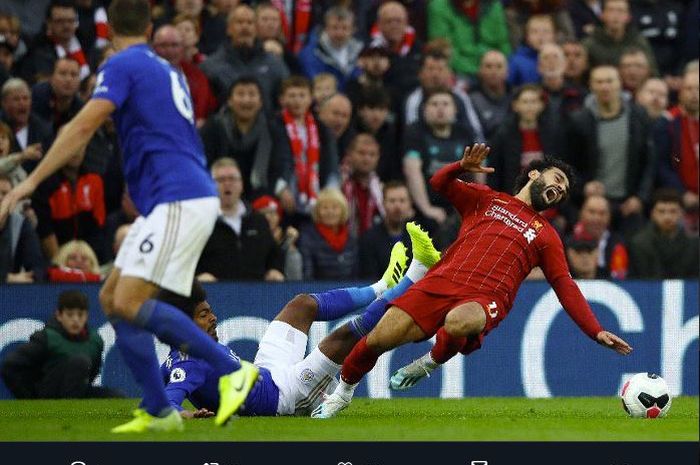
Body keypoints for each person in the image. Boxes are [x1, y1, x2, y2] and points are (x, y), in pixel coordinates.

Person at [0, 0, 258, 434]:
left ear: (107, 32)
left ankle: (230, 370)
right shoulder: (168, 71)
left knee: (128, 302)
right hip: (177, 198)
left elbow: (82, 127)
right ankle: (159, 410)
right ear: (150, 25)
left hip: (178, 198)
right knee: (113, 300)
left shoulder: (123, 64)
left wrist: (27, 184)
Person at [311, 144, 632, 417]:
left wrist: (595, 329)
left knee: (459, 320)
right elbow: (438, 182)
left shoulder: (546, 236)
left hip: (487, 297)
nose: (561, 189)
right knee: (378, 340)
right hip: (440, 282)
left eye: (564, 190)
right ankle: (342, 393)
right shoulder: (486, 200)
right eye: (558, 179)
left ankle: (430, 361)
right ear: (535, 174)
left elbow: (565, 285)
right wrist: (460, 167)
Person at [159, 222, 441, 417]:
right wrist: (183, 414)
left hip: (267, 372)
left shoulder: (175, 360)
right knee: (344, 336)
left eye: (209, 311)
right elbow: (172, 399)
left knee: (301, 305)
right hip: (286, 397)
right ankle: (418, 273)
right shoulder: (189, 364)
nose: (214, 318)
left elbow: (161, 391)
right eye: (204, 315)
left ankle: (381, 287)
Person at [0, 290, 121, 399]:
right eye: (70, 314)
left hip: (78, 391)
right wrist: (31, 400)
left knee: (116, 397)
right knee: (80, 362)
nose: (75, 320)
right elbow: (10, 366)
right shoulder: (46, 338)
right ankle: (69, 408)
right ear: (59, 315)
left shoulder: (95, 341)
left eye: (80, 315)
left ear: (87, 316)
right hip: (48, 393)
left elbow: (93, 372)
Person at [195, 158, 285, 282]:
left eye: (232, 178)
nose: (227, 184)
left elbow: (274, 254)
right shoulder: (200, 222)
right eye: (221, 180)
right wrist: (198, 277)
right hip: (214, 296)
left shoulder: (258, 220)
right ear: (209, 185)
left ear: (241, 184)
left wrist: (275, 270)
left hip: (257, 296)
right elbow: (185, 261)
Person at [628, 189, 699, 279]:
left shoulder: (694, 244)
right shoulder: (639, 244)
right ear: (652, 214)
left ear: (681, 214)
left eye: (673, 211)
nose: (667, 217)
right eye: (661, 211)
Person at [298, 187, 358, 280]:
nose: (330, 212)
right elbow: (307, 275)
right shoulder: (308, 237)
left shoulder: (351, 238)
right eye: (325, 207)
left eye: (335, 207)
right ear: (318, 211)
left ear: (342, 210)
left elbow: (357, 274)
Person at [0, 173, 45, 283]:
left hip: (10, 293)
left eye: (5, 193)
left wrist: (31, 277)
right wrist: (6, 278)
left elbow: (36, 268)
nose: (0, 198)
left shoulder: (20, 224)